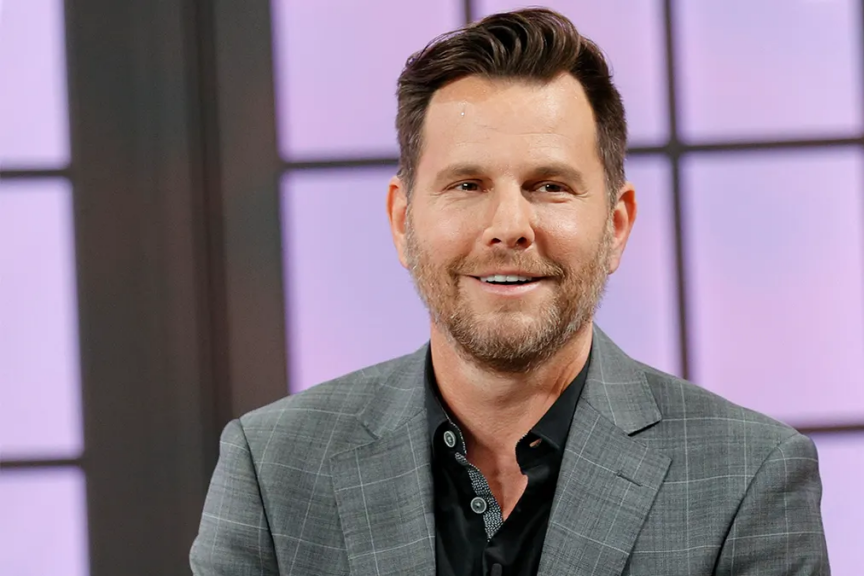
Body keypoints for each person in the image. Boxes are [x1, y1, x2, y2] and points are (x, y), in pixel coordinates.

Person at [191, 8, 829, 576]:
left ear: (616, 226)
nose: (508, 227)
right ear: (402, 222)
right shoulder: (271, 469)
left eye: (549, 186)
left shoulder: (748, 477)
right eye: (467, 185)